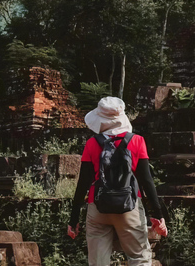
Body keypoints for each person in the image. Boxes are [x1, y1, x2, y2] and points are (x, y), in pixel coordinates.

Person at [68, 96, 167, 266]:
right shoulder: (136, 141)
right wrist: (158, 215)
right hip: (130, 207)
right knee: (139, 258)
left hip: (97, 207)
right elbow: (146, 181)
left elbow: (83, 183)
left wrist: (73, 219)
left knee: (98, 263)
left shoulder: (92, 144)